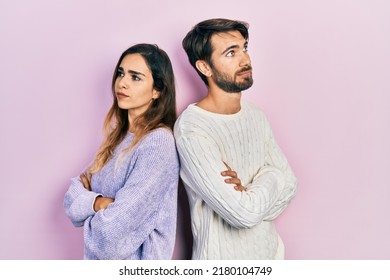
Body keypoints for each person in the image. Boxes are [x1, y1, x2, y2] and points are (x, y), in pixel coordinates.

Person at [174, 18, 297, 260]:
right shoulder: (192, 129)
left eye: (244, 48)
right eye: (231, 53)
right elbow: (242, 215)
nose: (245, 60)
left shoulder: (256, 116)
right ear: (205, 67)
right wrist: (272, 175)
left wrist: (250, 192)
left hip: (271, 257)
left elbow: (290, 185)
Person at [64, 44, 179, 260]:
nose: (122, 83)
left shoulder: (158, 144)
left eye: (135, 77)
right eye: (120, 73)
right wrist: (99, 203)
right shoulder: (118, 138)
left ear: (157, 90)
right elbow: (71, 198)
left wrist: (88, 206)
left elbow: (109, 237)